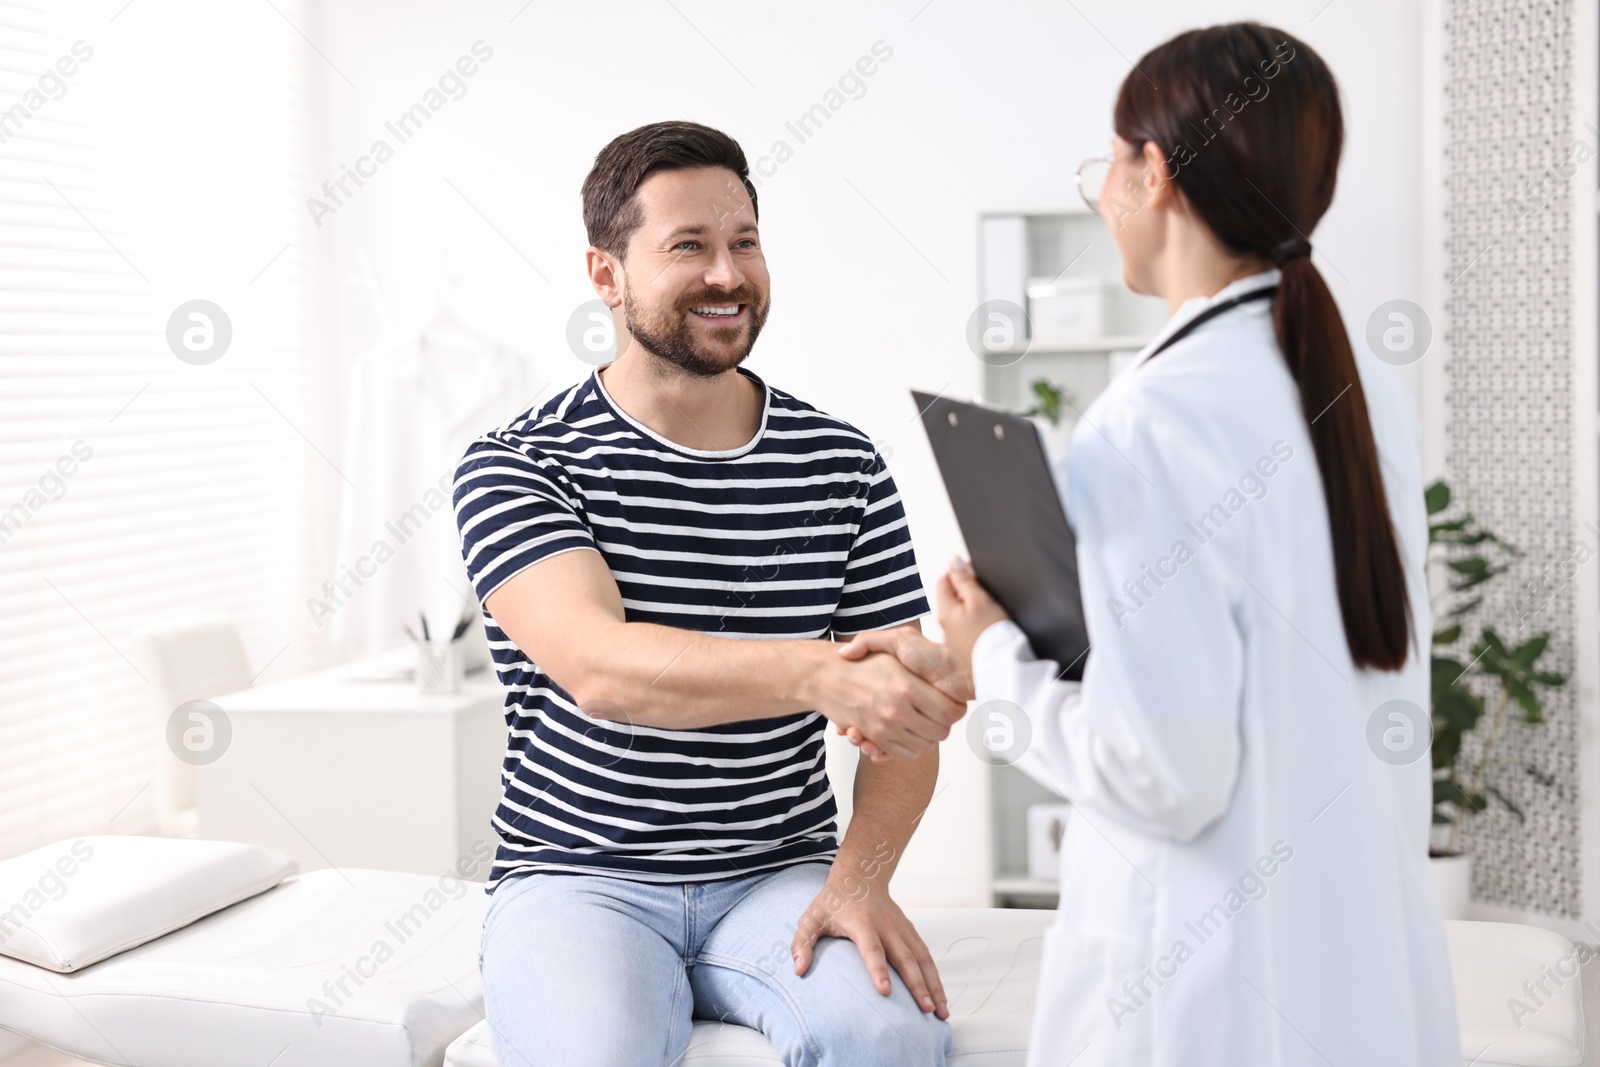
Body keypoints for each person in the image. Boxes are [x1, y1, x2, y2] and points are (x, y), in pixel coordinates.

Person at [839, 22, 1462, 1067]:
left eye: (1106, 165)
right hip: (1354, 982)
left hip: (1204, 1001)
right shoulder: (1363, 397)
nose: (1098, 196)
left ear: (1152, 173)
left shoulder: (1147, 423)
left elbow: (1162, 772)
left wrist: (994, 650)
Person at [452, 121, 957, 1066]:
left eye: (745, 243)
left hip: (778, 874)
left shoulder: (838, 463)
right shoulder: (521, 463)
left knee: (886, 1038)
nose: (727, 274)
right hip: (580, 879)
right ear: (606, 274)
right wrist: (824, 674)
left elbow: (904, 724)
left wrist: (861, 877)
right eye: (688, 246)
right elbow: (605, 670)